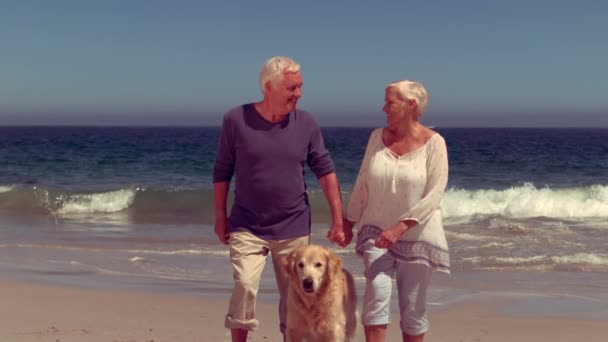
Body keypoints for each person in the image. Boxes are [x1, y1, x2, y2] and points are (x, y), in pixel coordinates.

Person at [212, 56, 349, 342]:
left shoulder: (306, 123)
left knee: (295, 297)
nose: (298, 93)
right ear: (268, 87)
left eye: (299, 87)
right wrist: (220, 216)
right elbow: (223, 169)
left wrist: (338, 219)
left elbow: (324, 170)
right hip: (247, 224)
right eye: (291, 88)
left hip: (293, 226)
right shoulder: (235, 119)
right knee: (245, 285)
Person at [343, 80, 450, 342]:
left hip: (417, 236)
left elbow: (434, 194)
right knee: (375, 299)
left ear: (410, 105)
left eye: (390, 102)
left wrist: (400, 227)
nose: (384, 108)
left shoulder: (435, 144)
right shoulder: (376, 138)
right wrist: (347, 222)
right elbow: (363, 181)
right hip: (375, 231)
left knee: (412, 309)